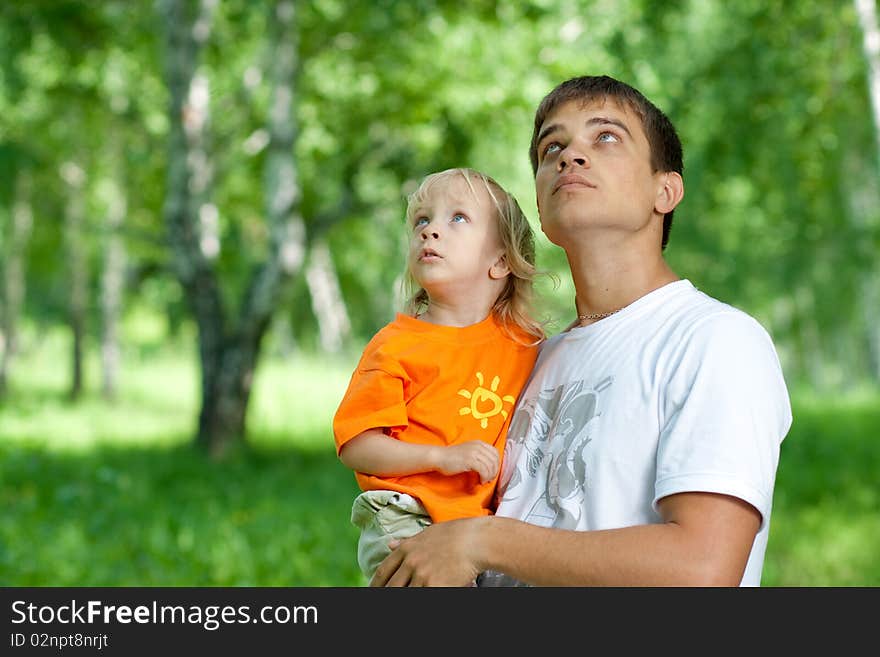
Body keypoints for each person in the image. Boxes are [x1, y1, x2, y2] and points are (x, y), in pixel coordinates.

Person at [370, 75, 793, 587]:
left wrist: (481, 540)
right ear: (541, 213)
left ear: (666, 190)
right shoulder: (528, 358)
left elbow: (702, 569)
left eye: (606, 137)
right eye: (553, 147)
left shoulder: (715, 341)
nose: (570, 156)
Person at [332, 167, 545, 581]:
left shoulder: (525, 345)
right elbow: (356, 446)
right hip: (406, 517)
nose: (429, 231)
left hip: (479, 526)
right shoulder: (396, 345)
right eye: (421, 221)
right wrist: (441, 458)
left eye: (457, 218)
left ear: (500, 261)